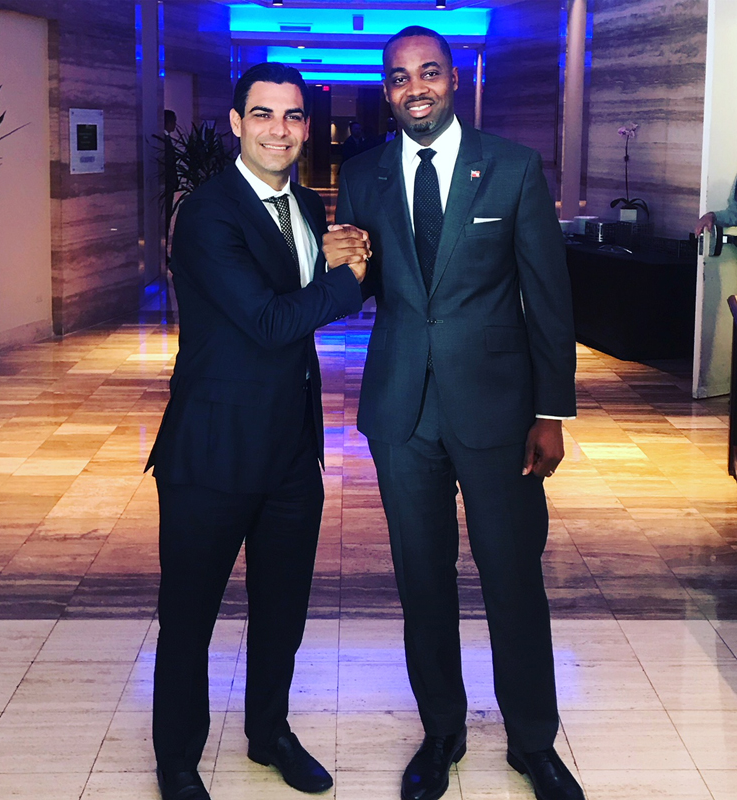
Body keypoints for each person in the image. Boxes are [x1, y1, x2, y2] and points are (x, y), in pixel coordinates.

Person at [323, 26, 582, 800]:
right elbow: (363, 291)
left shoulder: (511, 167)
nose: (416, 88)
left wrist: (550, 410)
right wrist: (342, 268)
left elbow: (548, 298)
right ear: (386, 89)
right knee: (422, 580)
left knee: (513, 577)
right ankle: (442, 732)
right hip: (402, 413)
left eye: (429, 72)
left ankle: (533, 742)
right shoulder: (361, 174)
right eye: (400, 77)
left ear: (454, 79)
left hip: (500, 411)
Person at [146, 62, 366, 800]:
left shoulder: (303, 204)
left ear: (307, 126)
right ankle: (178, 759)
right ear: (237, 123)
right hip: (212, 451)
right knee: (189, 618)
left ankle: (269, 733)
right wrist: (347, 279)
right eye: (264, 114)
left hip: (291, 450)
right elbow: (271, 322)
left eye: (293, 115)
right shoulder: (208, 213)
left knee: (282, 612)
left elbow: (298, 294)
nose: (280, 129)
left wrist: (338, 260)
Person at [163, 109, 179, 259]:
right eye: (173, 121)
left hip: (169, 186)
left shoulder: (166, 140)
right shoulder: (163, 141)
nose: (175, 124)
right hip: (165, 187)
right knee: (165, 218)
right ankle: (162, 252)